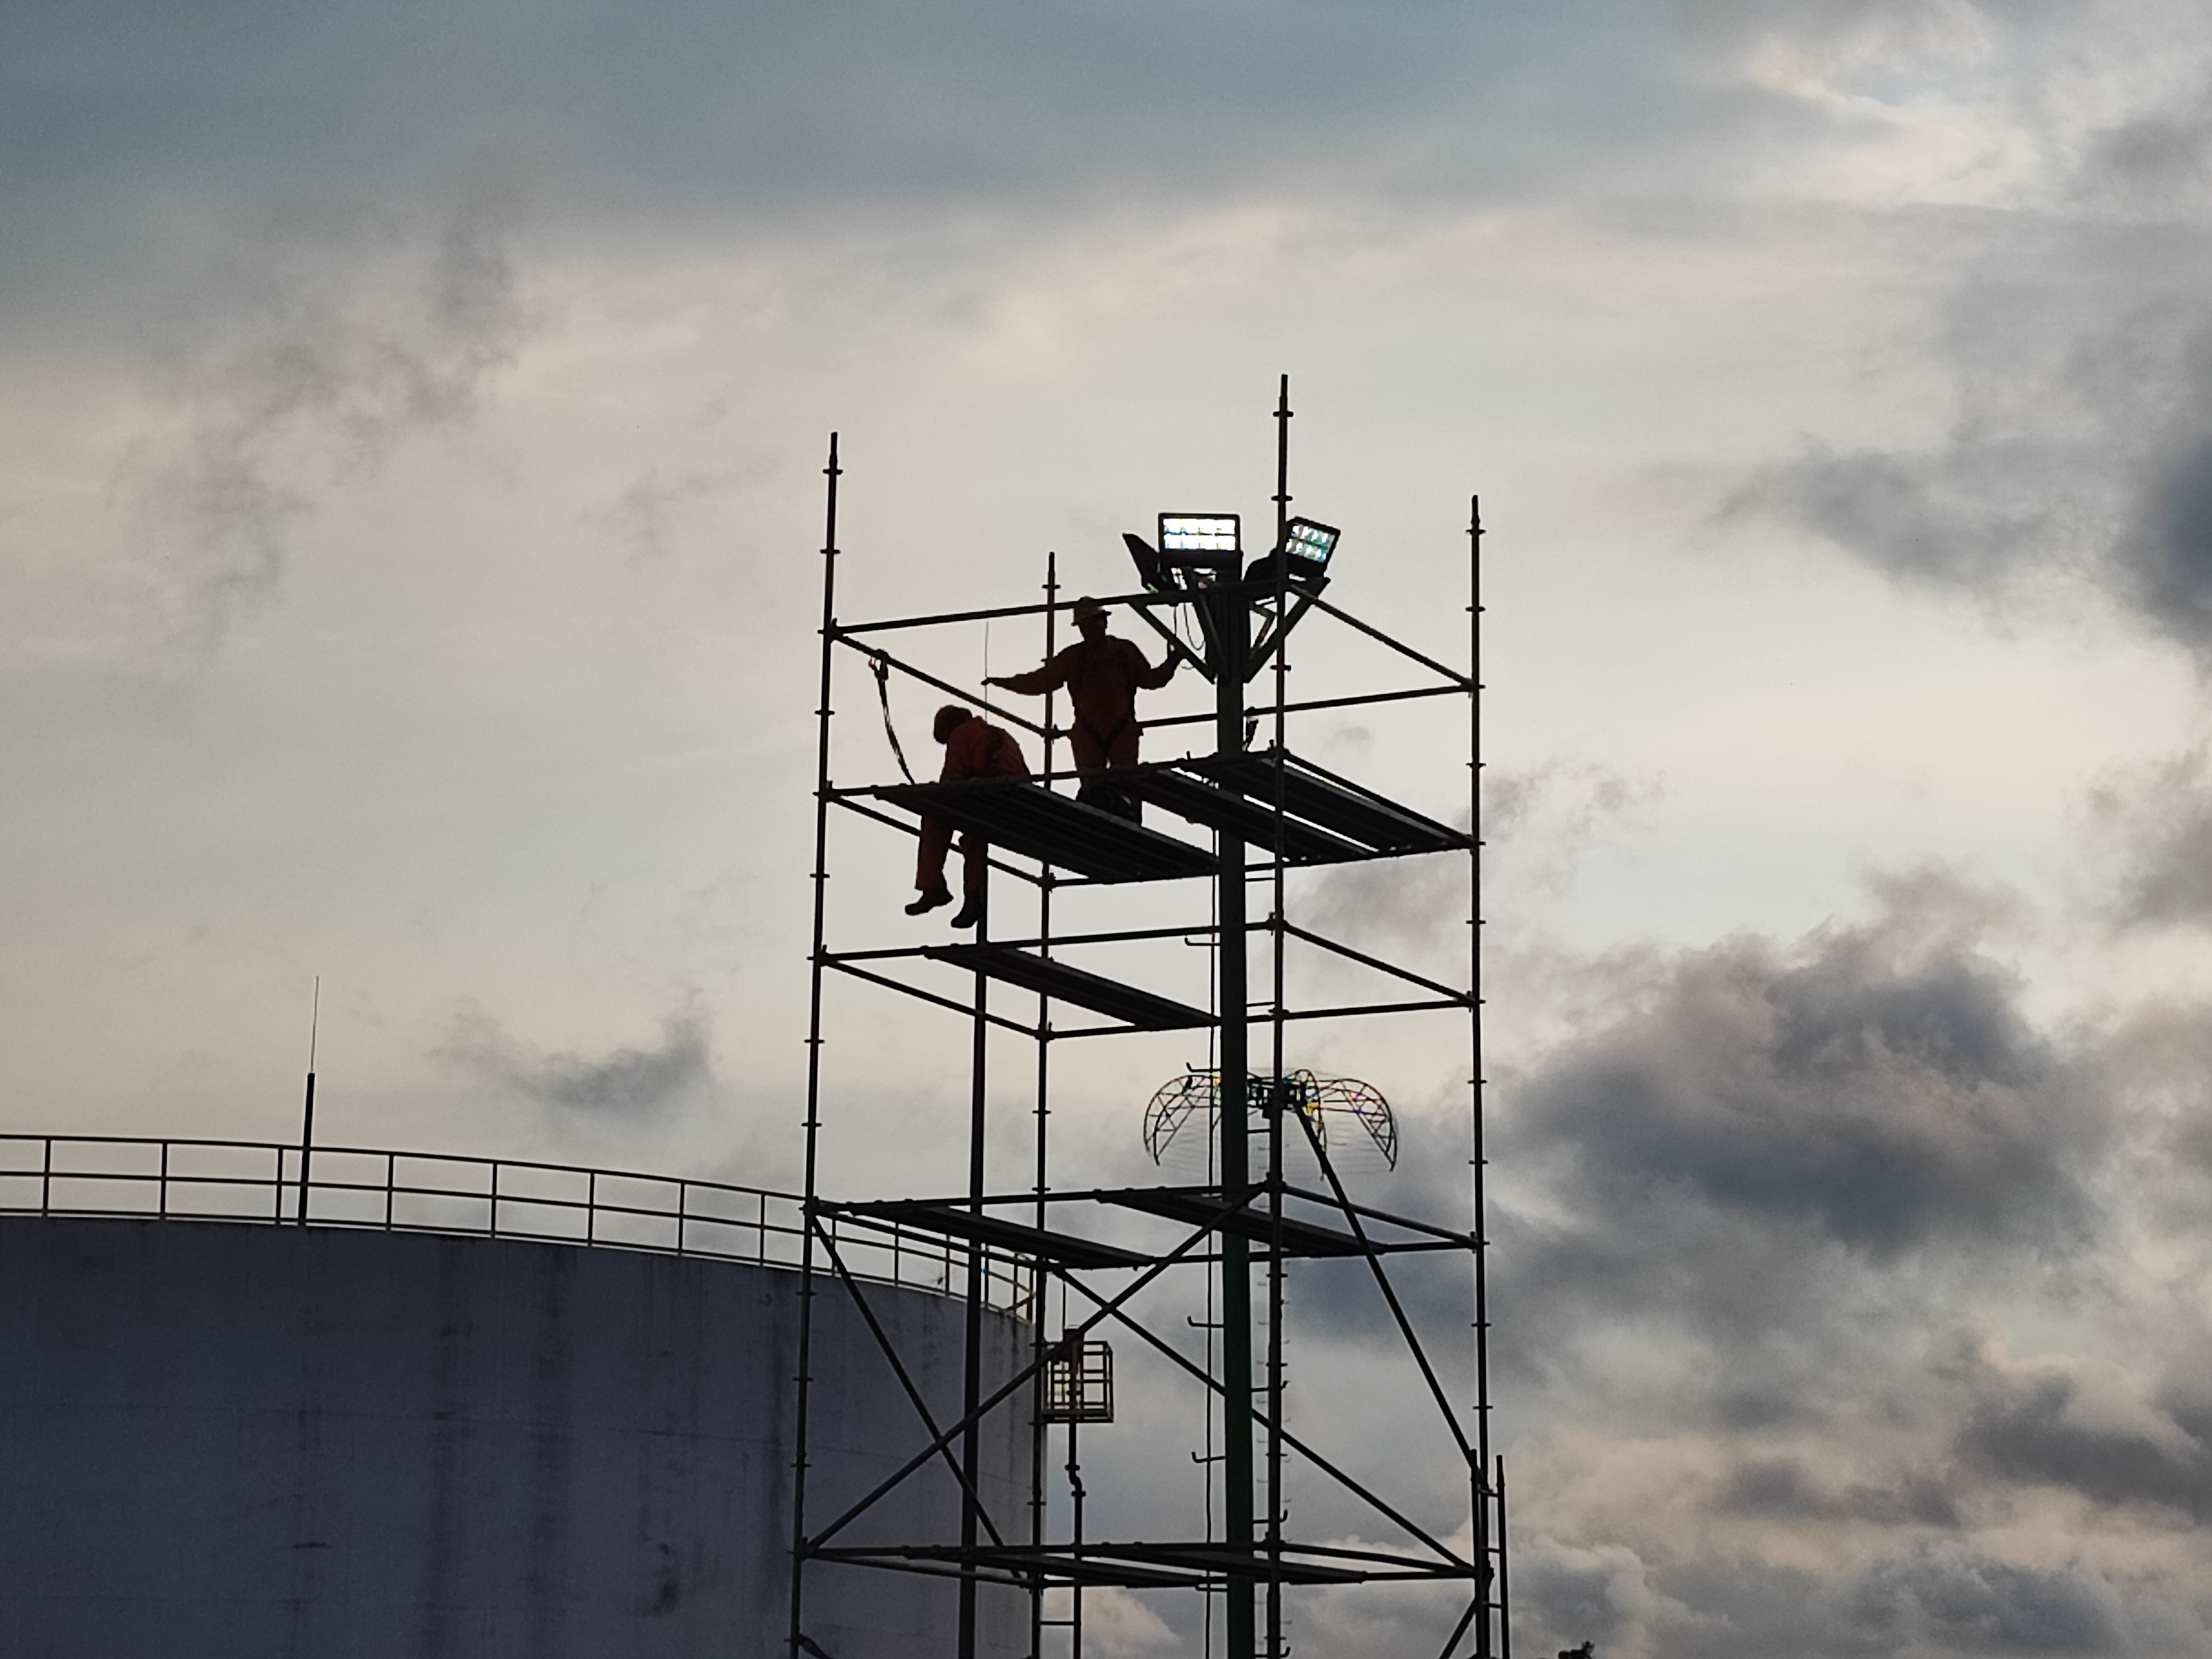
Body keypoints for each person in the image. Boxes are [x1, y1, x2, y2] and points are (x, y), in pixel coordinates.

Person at [985, 596, 1177, 819]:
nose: (1089, 630)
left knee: (1126, 786)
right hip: (1089, 733)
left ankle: (1128, 818)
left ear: (1104, 622)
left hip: (1120, 729)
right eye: (1085, 626)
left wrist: (1172, 663)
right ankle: (1099, 820)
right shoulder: (1074, 658)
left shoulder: (1124, 651)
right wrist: (1008, 683)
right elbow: (1041, 681)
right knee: (1093, 791)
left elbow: (1151, 679)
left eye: (1093, 623)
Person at [907, 703, 1030, 928]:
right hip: (1018, 799)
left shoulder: (961, 734)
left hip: (992, 795)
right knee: (974, 836)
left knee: (935, 819)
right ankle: (973, 899)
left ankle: (932, 886)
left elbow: (953, 779)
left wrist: (933, 791)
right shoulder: (999, 734)